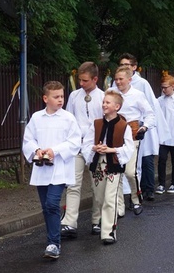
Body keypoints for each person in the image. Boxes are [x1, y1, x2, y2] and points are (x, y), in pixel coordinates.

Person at [22, 81, 81, 259]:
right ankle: (51, 238)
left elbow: (74, 142)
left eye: (62, 96)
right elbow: (28, 139)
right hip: (42, 169)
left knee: (52, 204)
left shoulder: (68, 118)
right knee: (46, 207)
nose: (60, 100)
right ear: (45, 98)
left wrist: (55, 151)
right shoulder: (36, 117)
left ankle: (54, 243)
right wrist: (36, 150)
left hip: (60, 169)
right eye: (56, 97)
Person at [82, 90, 134, 244]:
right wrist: (94, 148)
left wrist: (112, 150)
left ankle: (108, 232)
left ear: (117, 106)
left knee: (110, 198)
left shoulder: (124, 126)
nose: (104, 104)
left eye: (108, 102)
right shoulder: (97, 124)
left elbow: (129, 147)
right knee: (99, 197)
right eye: (103, 102)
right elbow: (86, 142)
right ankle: (97, 221)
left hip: (114, 164)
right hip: (98, 163)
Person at [61, 62, 105, 239]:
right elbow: (68, 119)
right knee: (73, 184)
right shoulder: (74, 96)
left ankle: (98, 220)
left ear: (95, 79)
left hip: (96, 147)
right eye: (80, 80)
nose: (81, 83)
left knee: (98, 185)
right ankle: (70, 223)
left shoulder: (103, 97)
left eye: (85, 80)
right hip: (77, 146)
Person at [116, 54, 168, 203]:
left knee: (135, 167)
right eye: (121, 64)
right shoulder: (113, 89)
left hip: (134, 131)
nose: (124, 68)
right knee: (119, 167)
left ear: (133, 67)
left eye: (127, 65)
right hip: (117, 134)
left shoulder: (141, 85)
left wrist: (146, 127)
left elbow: (151, 108)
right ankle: (120, 201)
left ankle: (138, 195)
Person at [111, 66, 156, 215]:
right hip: (115, 136)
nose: (118, 82)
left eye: (121, 79)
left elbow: (150, 114)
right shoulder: (111, 94)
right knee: (116, 171)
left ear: (129, 79)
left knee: (130, 172)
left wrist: (145, 128)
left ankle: (136, 199)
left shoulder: (137, 95)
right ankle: (119, 206)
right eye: (116, 79)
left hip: (132, 136)